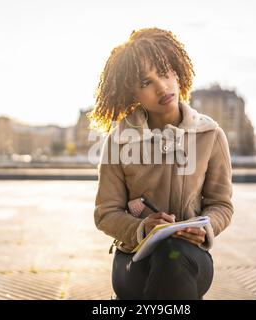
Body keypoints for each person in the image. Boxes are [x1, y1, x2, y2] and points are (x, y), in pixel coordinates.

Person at [88, 27, 234, 300]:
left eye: (165, 71)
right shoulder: (119, 141)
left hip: (190, 259)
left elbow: (222, 204)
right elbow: (105, 213)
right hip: (133, 260)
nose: (162, 87)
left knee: (172, 257)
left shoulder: (210, 135)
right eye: (146, 82)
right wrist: (141, 229)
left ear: (178, 71)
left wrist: (206, 227)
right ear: (132, 94)